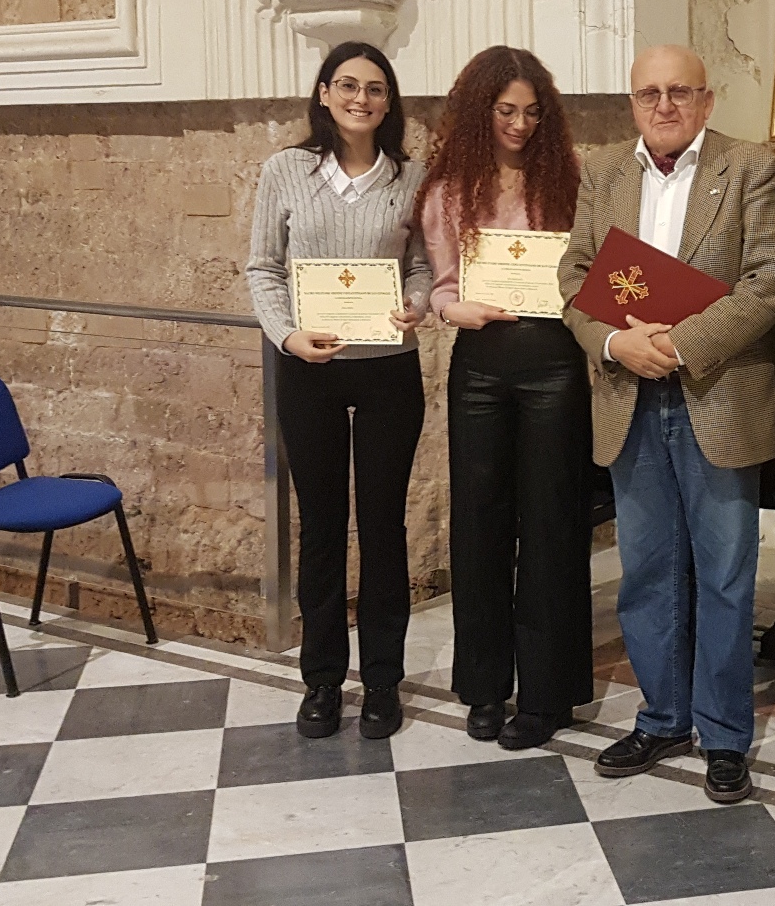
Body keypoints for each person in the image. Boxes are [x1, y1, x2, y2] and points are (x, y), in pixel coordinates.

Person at [558, 45, 775, 804]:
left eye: (681, 92)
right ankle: (662, 717)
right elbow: (574, 277)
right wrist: (613, 343)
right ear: (632, 102)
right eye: (649, 93)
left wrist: (682, 343)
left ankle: (723, 734)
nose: (665, 105)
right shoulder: (604, 171)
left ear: (707, 100)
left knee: (724, 576)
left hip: (716, 392)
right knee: (647, 571)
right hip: (628, 394)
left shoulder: (750, 167)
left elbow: (768, 283)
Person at [246, 41, 431, 741]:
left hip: (388, 369)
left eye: (376, 89)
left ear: (389, 102)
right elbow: (263, 267)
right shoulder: (285, 171)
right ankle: (322, 679)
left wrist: (416, 304)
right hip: (309, 369)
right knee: (321, 525)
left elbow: (421, 266)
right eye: (348, 85)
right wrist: (287, 335)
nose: (361, 99)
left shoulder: (411, 177)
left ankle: (382, 680)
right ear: (324, 93)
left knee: (383, 526)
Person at [417, 46, 592, 751]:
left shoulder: (569, 180)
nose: (520, 124)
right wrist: (448, 307)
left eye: (532, 112)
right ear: (478, 110)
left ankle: (548, 694)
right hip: (482, 365)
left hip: (554, 361)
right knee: (480, 523)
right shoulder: (447, 189)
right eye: (506, 110)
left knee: (553, 523)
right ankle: (485, 687)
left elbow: (590, 269)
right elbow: (438, 283)